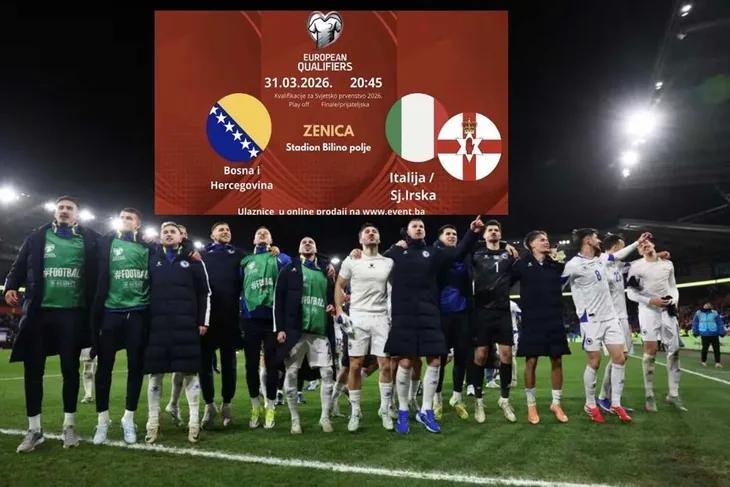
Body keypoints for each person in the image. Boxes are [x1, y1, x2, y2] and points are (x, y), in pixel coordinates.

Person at [4, 196, 99, 452]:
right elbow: (19, 264)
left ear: (77, 214)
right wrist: (11, 285)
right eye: (61, 208)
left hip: (73, 315)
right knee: (33, 371)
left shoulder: (90, 239)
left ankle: (69, 426)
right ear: (55, 213)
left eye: (69, 208)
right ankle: (34, 430)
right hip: (40, 313)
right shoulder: (37, 237)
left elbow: (113, 248)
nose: (64, 211)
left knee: (70, 370)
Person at [386, 216, 482, 434]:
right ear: (407, 232)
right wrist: (363, 253)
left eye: (421, 226)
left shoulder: (434, 253)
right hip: (404, 313)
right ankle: (403, 411)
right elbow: (374, 263)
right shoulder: (396, 253)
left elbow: (457, 253)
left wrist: (472, 232)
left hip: (430, 312)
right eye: (414, 226)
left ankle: (427, 410)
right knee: (405, 362)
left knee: (436, 360)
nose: (419, 228)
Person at [144, 222, 211, 444]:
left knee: (190, 372)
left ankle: (194, 423)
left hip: (186, 325)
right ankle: (152, 423)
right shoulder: (152, 259)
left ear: (181, 237)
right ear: (160, 236)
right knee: (155, 374)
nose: (168, 234)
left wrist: (203, 321)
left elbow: (205, 293)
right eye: (165, 232)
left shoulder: (193, 260)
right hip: (158, 325)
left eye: (173, 231)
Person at [562, 229, 637, 424]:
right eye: (596, 237)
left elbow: (618, 255)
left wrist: (638, 243)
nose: (599, 240)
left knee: (620, 358)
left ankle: (616, 403)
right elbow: (557, 285)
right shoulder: (573, 265)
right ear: (587, 240)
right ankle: (590, 404)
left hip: (610, 318)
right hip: (591, 321)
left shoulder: (602, 258)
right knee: (594, 362)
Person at [91, 208, 151, 445]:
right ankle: (102, 420)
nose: (125, 220)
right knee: (104, 368)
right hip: (111, 312)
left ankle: (129, 418)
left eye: (130, 218)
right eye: (122, 217)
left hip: (138, 313)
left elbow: (176, 244)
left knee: (136, 368)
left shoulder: (148, 248)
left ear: (138, 225)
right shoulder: (106, 243)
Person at [334, 223, 394, 432]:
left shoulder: (388, 262)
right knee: (355, 365)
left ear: (379, 238)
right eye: (367, 232)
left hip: (381, 317)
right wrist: (340, 311)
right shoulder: (352, 260)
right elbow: (339, 285)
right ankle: (355, 411)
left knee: (385, 365)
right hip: (358, 317)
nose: (371, 233)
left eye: (374, 231)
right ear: (360, 239)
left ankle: (385, 409)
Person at [274, 237, 336, 434]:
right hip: (296, 331)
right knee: (291, 372)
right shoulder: (289, 269)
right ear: (299, 248)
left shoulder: (325, 271)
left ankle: (325, 417)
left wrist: (332, 305)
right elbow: (278, 300)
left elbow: (333, 297)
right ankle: (295, 420)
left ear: (316, 248)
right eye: (303, 242)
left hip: (320, 330)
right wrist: (280, 328)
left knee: (327, 372)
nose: (307, 243)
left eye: (311, 242)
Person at [510, 231, 570, 425]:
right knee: (531, 361)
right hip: (532, 319)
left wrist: (557, 258)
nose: (546, 242)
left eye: (547, 239)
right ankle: (531, 405)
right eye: (542, 240)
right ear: (531, 244)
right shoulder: (522, 264)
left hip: (554, 318)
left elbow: (569, 275)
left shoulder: (556, 264)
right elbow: (505, 281)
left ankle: (556, 403)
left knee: (557, 360)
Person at [466, 220, 519, 424]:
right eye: (490, 230)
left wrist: (507, 247)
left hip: (502, 310)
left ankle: (504, 399)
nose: (494, 232)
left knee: (506, 354)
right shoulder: (476, 254)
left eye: (497, 230)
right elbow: (464, 249)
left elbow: (515, 275)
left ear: (500, 234)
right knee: (480, 355)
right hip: (481, 311)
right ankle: (479, 401)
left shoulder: (509, 255)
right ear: (484, 235)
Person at [626, 237, 686, 412]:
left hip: (667, 310)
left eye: (647, 242)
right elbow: (630, 293)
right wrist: (651, 301)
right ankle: (649, 395)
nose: (644, 245)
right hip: (648, 311)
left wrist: (673, 300)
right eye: (641, 245)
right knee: (650, 352)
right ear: (639, 251)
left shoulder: (668, 264)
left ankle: (673, 394)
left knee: (674, 350)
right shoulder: (636, 266)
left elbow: (673, 286)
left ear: (653, 244)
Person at [240, 226, 291, 429]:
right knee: (251, 366)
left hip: (272, 320)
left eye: (266, 233)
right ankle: (255, 407)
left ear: (271, 240)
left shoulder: (280, 258)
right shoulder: (245, 261)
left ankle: (270, 406)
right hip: (250, 319)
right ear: (254, 240)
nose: (262, 234)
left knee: (272, 366)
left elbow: (294, 268)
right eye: (258, 233)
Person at [199, 222, 244, 429]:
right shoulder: (201, 255)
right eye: (221, 229)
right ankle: (208, 405)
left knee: (229, 364)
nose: (225, 231)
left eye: (228, 229)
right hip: (207, 318)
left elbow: (259, 262)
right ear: (212, 235)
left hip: (230, 318)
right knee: (204, 365)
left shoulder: (239, 254)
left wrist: (274, 251)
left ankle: (227, 404)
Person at [432, 225, 472, 422]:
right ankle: (437, 398)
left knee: (462, 358)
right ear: (440, 237)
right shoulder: (436, 255)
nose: (452, 236)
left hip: (462, 312)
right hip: (441, 313)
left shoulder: (464, 256)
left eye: (455, 234)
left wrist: (505, 246)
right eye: (448, 233)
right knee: (439, 360)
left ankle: (457, 397)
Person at [692, 302, 725, 368]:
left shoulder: (714, 313)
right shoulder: (698, 313)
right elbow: (695, 322)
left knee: (716, 349)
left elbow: (719, 323)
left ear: (711, 307)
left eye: (708, 306)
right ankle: (703, 362)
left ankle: (717, 363)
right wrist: (695, 331)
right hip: (704, 333)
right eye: (706, 305)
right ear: (703, 306)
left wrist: (721, 331)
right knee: (705, 349)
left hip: (714, 333)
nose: (707, 306)